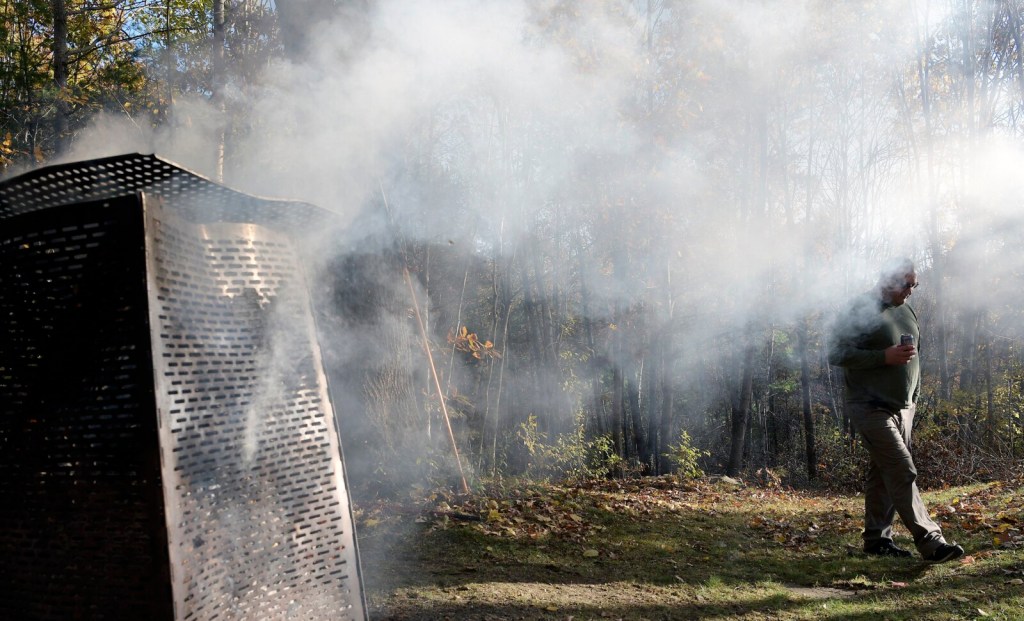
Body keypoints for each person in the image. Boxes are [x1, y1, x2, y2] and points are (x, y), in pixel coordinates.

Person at [828, 258, 964, 563]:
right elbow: (836, 353)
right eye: (906, 284)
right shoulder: (859, 309)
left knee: (883, 473)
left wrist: (913, 395)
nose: (911, 291)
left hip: (904, 408)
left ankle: (877, 541)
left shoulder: (906, 309)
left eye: (915, 284)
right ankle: (931, 542)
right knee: (902, 469)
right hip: (869, 406)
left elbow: (913, 355)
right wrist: (883, 357)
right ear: (887, 279)